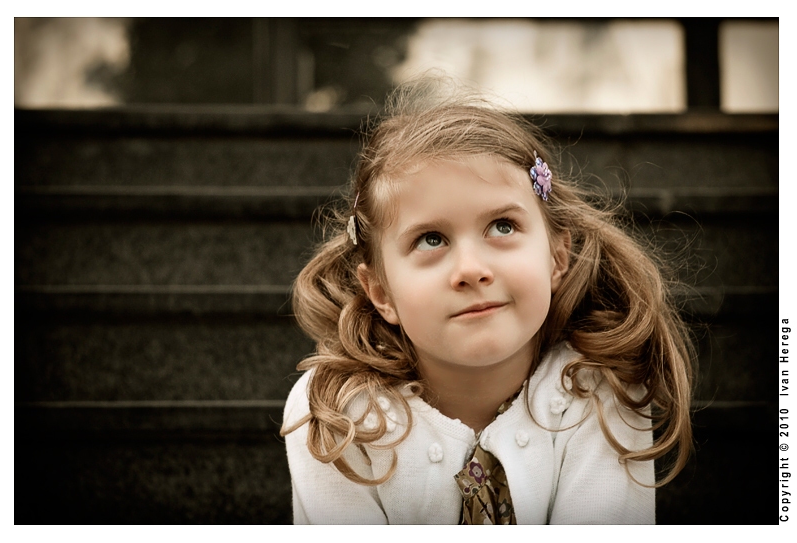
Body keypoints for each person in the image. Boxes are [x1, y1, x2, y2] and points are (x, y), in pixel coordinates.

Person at [280, 77, 694, 524]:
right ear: (381, 293)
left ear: (557, 257)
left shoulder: (603, 384)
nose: (471, 269)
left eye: (501, 226)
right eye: (431, 238)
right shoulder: (332, 412)